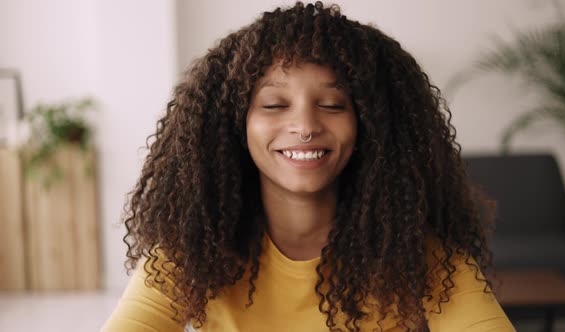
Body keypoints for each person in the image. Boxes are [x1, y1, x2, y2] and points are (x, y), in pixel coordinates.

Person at [101, 1, 516, 331]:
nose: (304, 127)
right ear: (235, 124)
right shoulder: (192, 248)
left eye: (332, 105)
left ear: (367, 125)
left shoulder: (412, 249)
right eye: (274, 105)